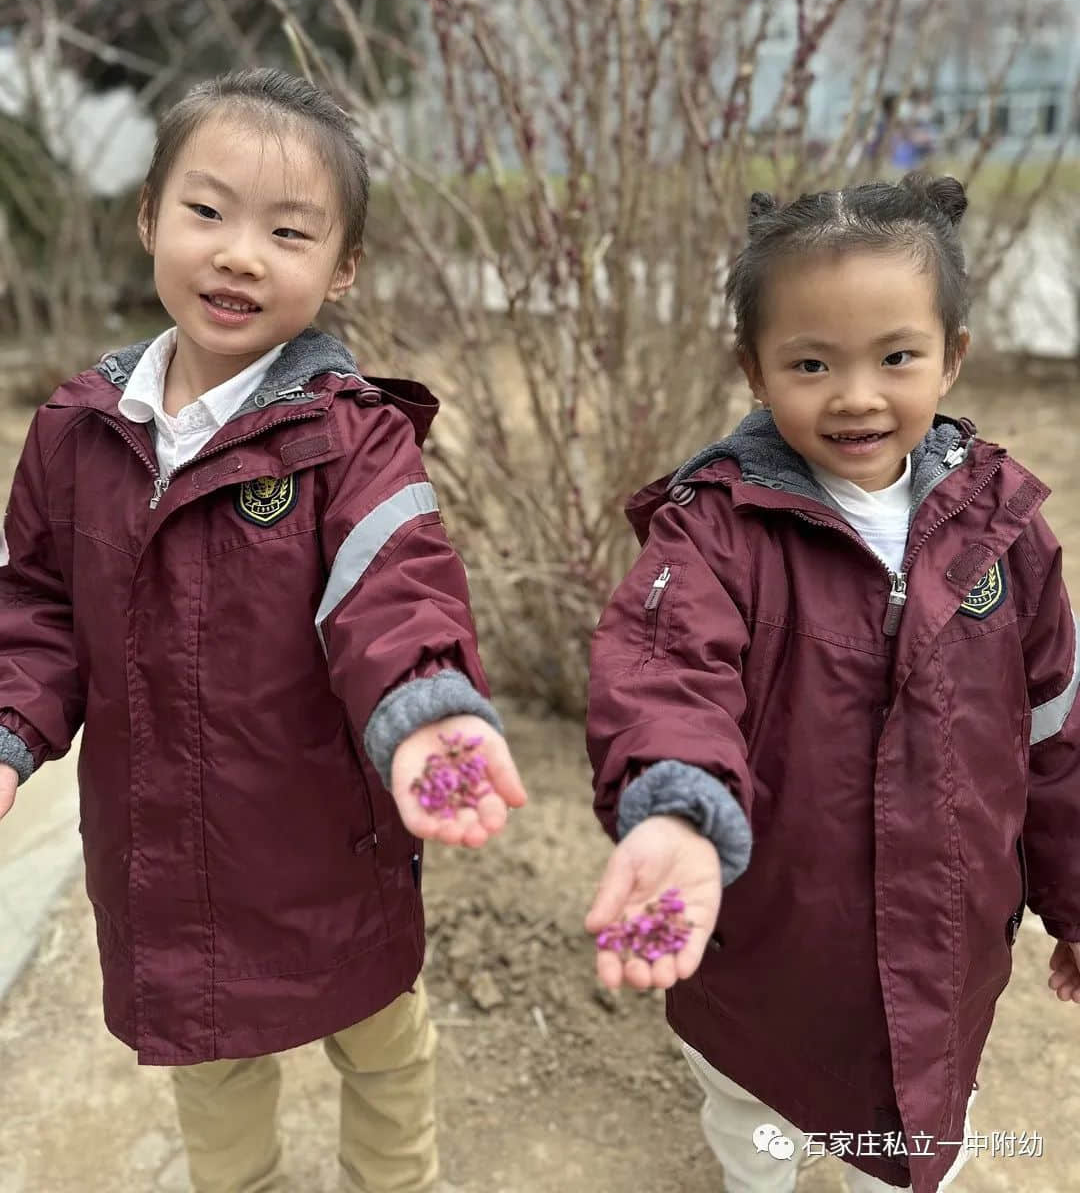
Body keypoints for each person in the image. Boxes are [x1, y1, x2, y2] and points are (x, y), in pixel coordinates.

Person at [0, 67, 527, 1193]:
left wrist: (426, 714)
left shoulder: (354, 439)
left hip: (326, 835)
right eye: (207, 212)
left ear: (340, 271)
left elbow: (396, 589)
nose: (240, 254)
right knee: (213, 1059)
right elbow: (35, 608)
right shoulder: (78, 432)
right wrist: (9, 728)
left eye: (288, 232)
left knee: (382, 1040)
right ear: (148, 217)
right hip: (164, 850)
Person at [585, 173, 1080, 1193]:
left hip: (944, 954)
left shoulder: (1005, 533)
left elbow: (1055, 732)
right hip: (767, 948)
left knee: (907, 1147)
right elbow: (669, 676)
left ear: (953, 357)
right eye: (812, 362)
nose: (856, 396)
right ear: (755, 372)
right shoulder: (717, 533)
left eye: (896, 357)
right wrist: (677, 809)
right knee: (753, 1116)